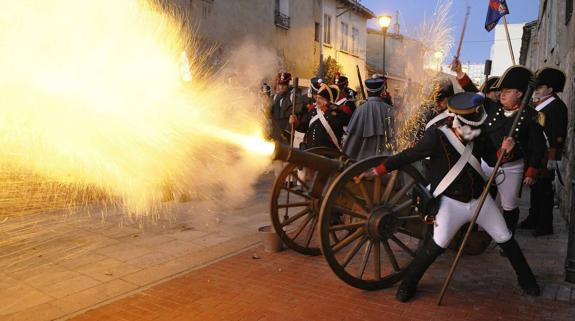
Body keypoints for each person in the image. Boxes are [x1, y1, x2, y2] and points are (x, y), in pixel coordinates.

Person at [358, 92, 541, 302]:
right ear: (458, 120)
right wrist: (377, 170)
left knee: (506, 238)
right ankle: (408, 284)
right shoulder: (436, 136)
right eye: (469, 126)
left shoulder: (479, 132)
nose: (474, 130)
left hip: (480, 200)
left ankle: (527, 280)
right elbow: (409, 156)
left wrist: (505, 150)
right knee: (436, 245)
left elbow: (492, 159)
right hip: (450, 202)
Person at [478, 66, 547, 236]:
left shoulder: (531, 116)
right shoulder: (493, 108)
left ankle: (507, 238)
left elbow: (537, 146)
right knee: (479, 198)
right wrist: (460, 73)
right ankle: (478, 232)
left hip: (511, 166)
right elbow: (472, 92)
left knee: (509, 204)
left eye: (508, 91)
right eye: (502, 91)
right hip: (487, 163)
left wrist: (531, 170)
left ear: (519, 94)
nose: (502, 94)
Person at [520, 67, 568, 236]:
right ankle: (533, 218)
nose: (537, 90)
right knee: (535, 188)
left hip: (546, 154)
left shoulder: (557, 106)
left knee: (544, 190)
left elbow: (558, 135)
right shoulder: (540, 105)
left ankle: (545, 224)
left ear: (550, 89)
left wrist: (552, 158)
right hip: (535, 152)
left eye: (540, 87)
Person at [342, 75, 394, 160]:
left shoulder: (360, 110)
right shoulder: (389, 110)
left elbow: (352, 138)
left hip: (361, 160)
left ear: (367, 90)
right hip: (385, 158)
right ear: (381, 90)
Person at [288, 84, 347, 150]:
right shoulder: (313, 111)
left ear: (328, 101)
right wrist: (296, 123)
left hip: (327, 152)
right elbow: (304, 127)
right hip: (311, 150)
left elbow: (339, 124)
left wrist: (327, 109)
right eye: (317, 98)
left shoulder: (336, 113)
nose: (317, 101)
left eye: (321, 98)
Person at [270, 72, 304, 144]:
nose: (281, 87)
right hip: (274, 130)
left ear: (288, 84)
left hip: (286, 132)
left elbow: (296, 115)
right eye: (280, 84)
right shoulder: (274, 97)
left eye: (284, 84)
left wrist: (288, 131)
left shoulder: (293, 97)